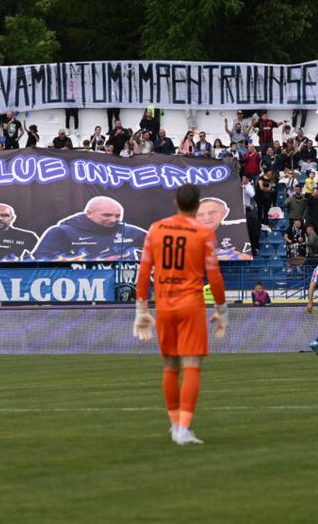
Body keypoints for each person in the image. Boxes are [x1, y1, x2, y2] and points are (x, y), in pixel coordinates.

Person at [131, 183, 227, 446]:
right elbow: (214, 276)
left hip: (164, 305)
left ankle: (174, 425)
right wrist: (221, 309)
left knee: (170, 366)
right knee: (192, 365)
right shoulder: (204, 232)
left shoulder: (156, 229)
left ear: (175, 202)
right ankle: (184, 428)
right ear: (197, 207)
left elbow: (144, 270)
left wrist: (141, 309)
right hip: (191, 304)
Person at [31, 196, 147, 260]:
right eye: (107, 215)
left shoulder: (131, 232)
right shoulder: (61, 232)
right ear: (89, 213)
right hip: (78, 289)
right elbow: (40, 260)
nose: (113, 220)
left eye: (117, 216)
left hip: (121, 290)